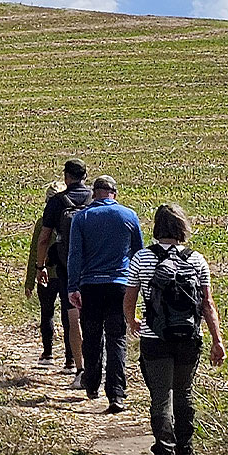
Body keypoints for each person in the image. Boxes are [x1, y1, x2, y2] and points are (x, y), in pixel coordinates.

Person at [125, 204, 226, 455]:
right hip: (189, 337)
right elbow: (207, 304)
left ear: (156, 227)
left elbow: (130, 298)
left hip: (154, 339)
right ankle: (185, 453)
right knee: (183, 393)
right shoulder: (197, 260)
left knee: (160, 397)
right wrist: (217, 340)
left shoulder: (142, 259)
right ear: (183, 227)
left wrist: (133, 321)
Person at [66, 175, 142, 414]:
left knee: (92, 335)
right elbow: (139, 254)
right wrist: (138, 287)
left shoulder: (82, 217)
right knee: (116, 338)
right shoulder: (128, 216)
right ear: (114, 194)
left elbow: (75, 255)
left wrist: (72, 286)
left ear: (93, 193)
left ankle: (92, 384)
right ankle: (116, 393)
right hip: (120, 284)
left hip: (90, 285)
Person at [26, 159, 91, 385]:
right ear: (86, 176)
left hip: (66, 269)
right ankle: (95, 366)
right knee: (94, 319)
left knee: (71, 317)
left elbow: (43, 239)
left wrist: (40, 267)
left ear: (66, 177)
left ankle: (79, 368)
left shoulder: (56, 202)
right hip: (94, 268)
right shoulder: (96, 199)